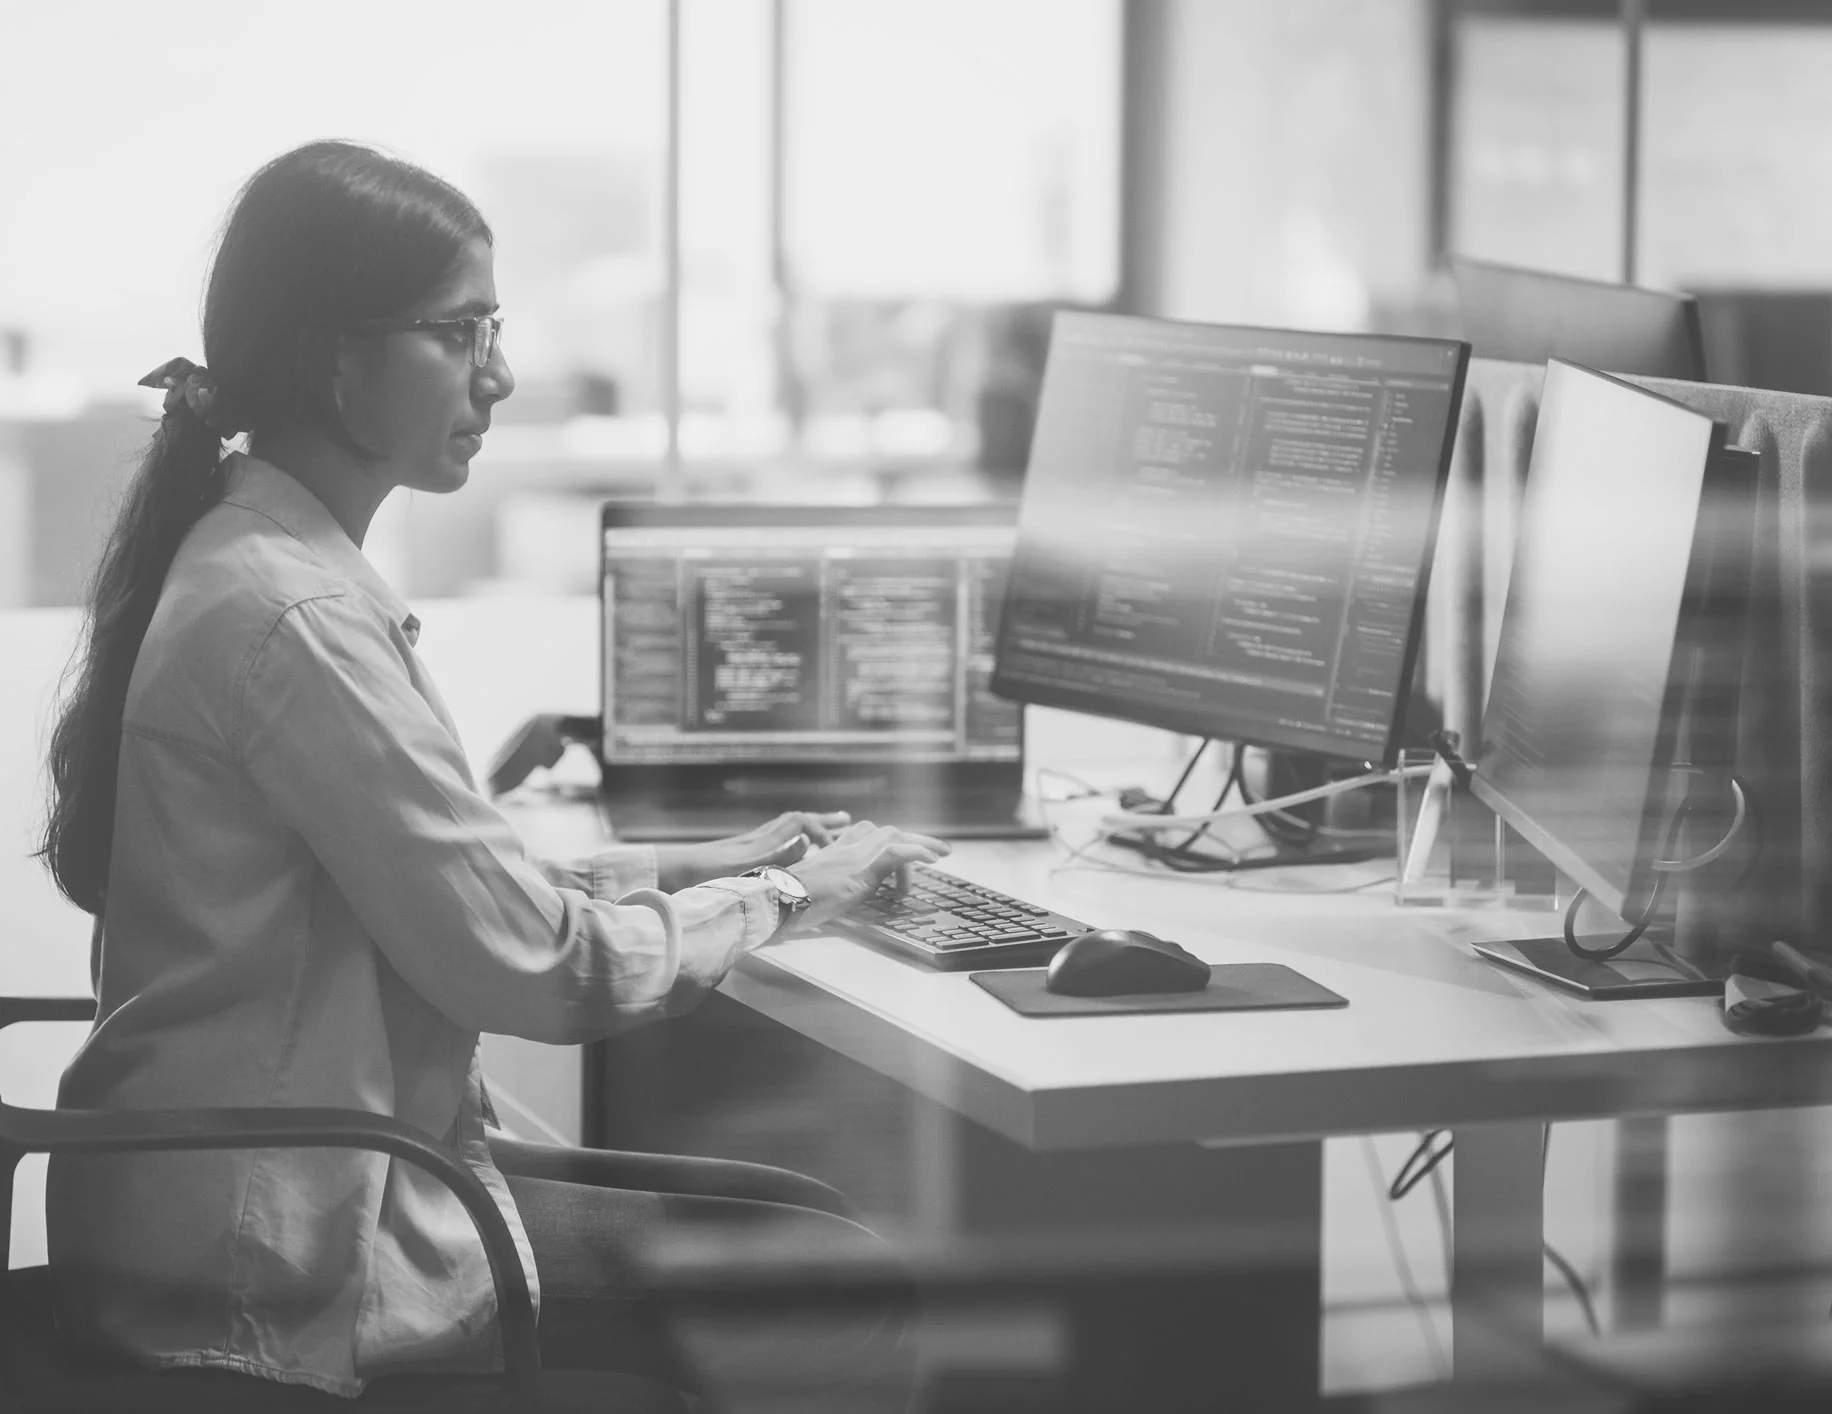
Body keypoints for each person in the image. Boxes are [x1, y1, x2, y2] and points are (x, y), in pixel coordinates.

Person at [37, 139, 943, 1404]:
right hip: (276, 1246)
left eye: (494, 329)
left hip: (271, 1187)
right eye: (459, 333)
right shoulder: (291, 617)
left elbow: (445, 885)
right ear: (332, 356)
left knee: (801, 1210)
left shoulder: (264, 560)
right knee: (840, 1287)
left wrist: (701, 864)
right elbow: (531, 963)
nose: (501, 375)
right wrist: (796, 898)